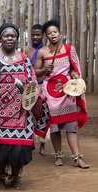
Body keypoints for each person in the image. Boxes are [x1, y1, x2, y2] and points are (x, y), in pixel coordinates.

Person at [0, 23, 50, 190]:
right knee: (0, 146)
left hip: (21, 110)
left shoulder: (24, 58)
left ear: (17, 38)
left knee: (20, 145)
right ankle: (1, 176)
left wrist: (30, 90)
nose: (9, 38)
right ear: (1, 38)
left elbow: (32, 80)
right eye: (6, 36)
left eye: (13, 36)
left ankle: (16, 176)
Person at [34, 19, 89, 168]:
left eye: (55, 32)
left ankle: (77, 158)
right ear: (46, 36)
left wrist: (74, 74)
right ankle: (58, 156)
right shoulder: (42, 52)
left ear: (60, 33)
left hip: (67, 93)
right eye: (49, 33)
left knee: (71, 126)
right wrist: (45, 70)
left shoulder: (68, 48)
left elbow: (73, 67)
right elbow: (35, 73)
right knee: (55, 127)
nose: (53, 35)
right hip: (50, 94)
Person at [25, 24, 49, 156]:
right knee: (29, 113)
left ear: (42, 35)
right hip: (30, 85)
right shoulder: (26, 50)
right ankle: (30, 142)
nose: (35, 37)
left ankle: (43, 144)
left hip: (43, 84)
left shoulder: (46, 50)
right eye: (33, 34)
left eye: (38, 34)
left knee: (44, 113)